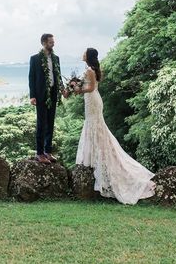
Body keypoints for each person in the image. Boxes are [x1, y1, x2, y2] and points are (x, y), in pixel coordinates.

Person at [73, 47, 155, 204]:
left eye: (84, 52)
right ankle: (93, 157)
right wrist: (78, 87)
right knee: (94, 125)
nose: (82, 53)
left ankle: (96, 156)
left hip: (92, 99)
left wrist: (77, 89)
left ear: (88, 56)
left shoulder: (90, 70)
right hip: (92, 100)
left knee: (95, 125)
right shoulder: (91, 69)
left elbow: (89, 88)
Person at [29, 33, 67, 164]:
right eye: (51, 42)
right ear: (44, 43)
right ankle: (39, 153)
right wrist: (32, 96)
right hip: (40, 95)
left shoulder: (56, 58)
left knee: (50, 123)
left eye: (53, 42)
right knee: (41, 124)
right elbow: (31, 78)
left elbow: (59, 76)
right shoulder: (35, 59)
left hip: (53, 94)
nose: (53, 44)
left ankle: (48, 152)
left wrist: (62, 90)